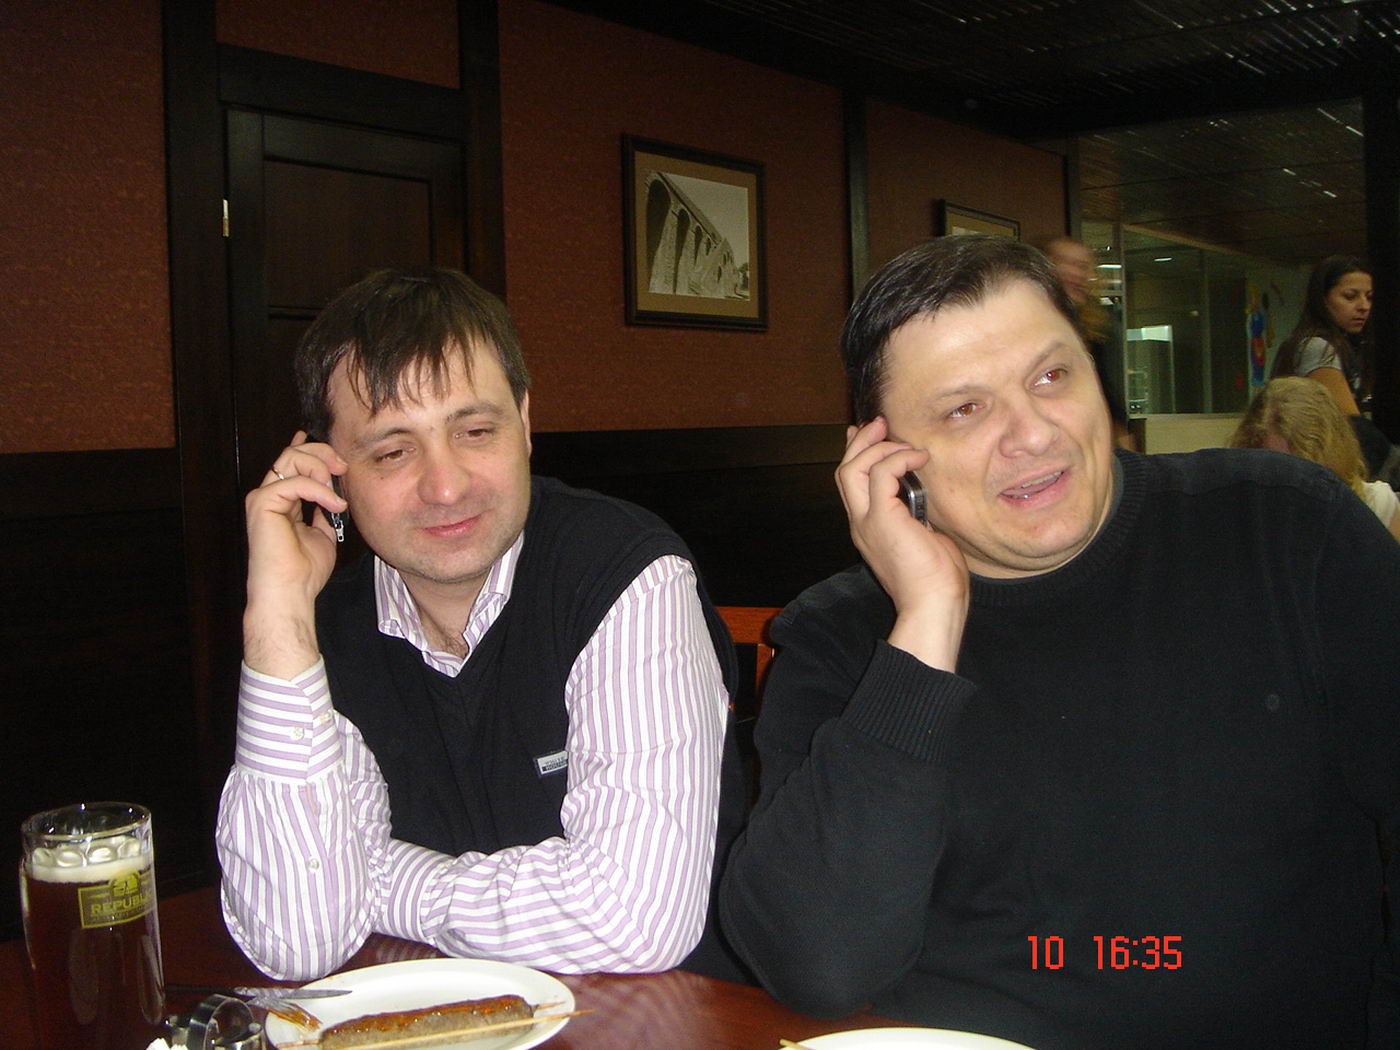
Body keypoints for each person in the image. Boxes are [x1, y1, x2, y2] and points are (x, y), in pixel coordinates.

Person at [719, 235, 1400, 1049]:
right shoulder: (842, 639)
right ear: (885, 458)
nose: (1032, 433)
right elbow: (820, 967)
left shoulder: (1285, 529)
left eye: (1051, 377)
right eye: (965, 409)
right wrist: (928, 621)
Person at [217, 267, 743, 981]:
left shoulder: (622, 572)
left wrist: (378, 880)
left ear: (524, 423)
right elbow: (298, 941)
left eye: (474, 430)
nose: (446, 485)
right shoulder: (325, 627)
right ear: (330, 472)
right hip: (433, 1013)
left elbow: (634, 920)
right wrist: (278, 611)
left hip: (660, 1013)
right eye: (392, 451)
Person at [1230, 376, 1400, 541]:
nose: (1292, 490)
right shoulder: (1237, 517)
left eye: (1305, 472)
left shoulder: (1376, 507)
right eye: (1275, 471)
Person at [1037, 235, 1135, 449]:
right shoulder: (1022, 326)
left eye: (1082, 266)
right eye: (1064, 262)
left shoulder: (1098, 329)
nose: (1075, 273)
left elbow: (1108, 396)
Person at [1270, 255, 1373, 415]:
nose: (1364, 306)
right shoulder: (1317, 347)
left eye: (1369, 297)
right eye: (1350, 296)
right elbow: (1349, 422)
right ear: (1323, 299)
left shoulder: (1351, 345)